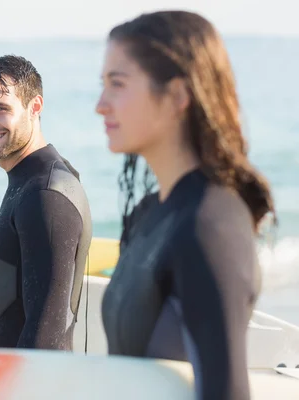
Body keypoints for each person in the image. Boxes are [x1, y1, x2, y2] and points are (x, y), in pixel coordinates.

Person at [95, 10, 276, 400]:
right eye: (102, 85)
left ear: (177, 95)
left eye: (117, 84)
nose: (100, 105)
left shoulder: (210, 223)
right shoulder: (148, 214)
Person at [0, 55, 93, 350]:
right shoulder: (36, 180)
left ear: (34, 107)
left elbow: (47, 334)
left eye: (0, 108)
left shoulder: (45, 195)